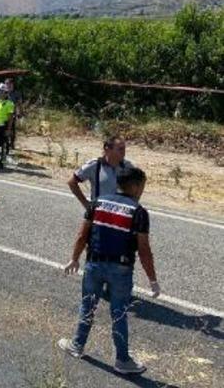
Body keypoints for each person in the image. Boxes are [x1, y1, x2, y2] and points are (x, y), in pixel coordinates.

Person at [58, 167, 159, 375]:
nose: (142, 191)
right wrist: (152, 280)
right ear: (136, 185)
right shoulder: (138, 212)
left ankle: (77, 345)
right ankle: (122, 360)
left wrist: (74, 259)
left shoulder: (98, 203)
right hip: (121, 269)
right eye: (142, 186)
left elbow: (81, 235)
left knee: (88, 306)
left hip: (94, 264)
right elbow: (144, 249)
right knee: (119, 314)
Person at [68, 136, 134, 211]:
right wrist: (86, 204)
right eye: (120, 149)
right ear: (108, 149)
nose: (123, 152)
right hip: (99, 213)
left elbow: (139, 183)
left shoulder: (128, 167)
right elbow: (72, 182)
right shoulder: (95, 165)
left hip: (119, 214)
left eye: (124, 149)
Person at [4, 78, 22, 150]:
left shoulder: (16, 93)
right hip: (3, 114)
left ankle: (12, 143)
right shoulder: (3, 92)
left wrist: (20, 112)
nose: (7, 85)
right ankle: (5, 143)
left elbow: (19, 104)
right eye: (6, 83)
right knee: (4, 129)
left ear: (12, 84)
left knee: (12, 129)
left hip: (12, 114)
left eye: (8, 83)